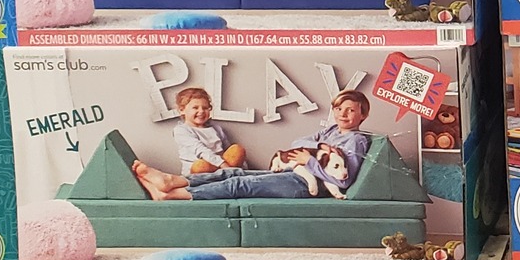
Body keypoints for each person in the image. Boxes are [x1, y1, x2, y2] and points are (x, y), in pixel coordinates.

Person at [132, 89, 377, 201]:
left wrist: (310, 160)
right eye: (339, 109)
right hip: (295, 173)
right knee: (233, 172)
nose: (343, 114)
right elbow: (298, 142)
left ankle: (172, 195)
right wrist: (321, 148)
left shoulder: (355, 140)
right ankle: (172, 181)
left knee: (239, 184)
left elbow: (343, 181)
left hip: (305, 185)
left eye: (350, 110)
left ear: (363, 115)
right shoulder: (331, 131)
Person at [169, 85, 244, 175]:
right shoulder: (181, 130)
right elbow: (200, 150)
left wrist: (239, 167)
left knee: (237, 149)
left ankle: (232, 174)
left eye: (205, 108)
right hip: (202, 170)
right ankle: (223, 175)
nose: (201, 111)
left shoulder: (216, 128)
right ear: (182, 110)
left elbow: (227, 149)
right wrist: (223, 164)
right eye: (195, 107)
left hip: (222, 167)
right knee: (200, 165)